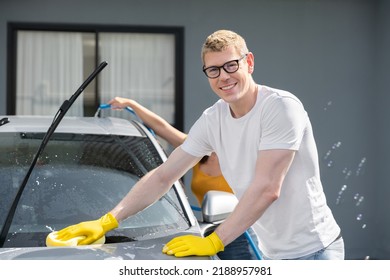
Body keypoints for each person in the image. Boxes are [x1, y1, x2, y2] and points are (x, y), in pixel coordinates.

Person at [54, 29, 344, 260]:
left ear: (250, 62)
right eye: (213, 70)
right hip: (271, 253)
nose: (224, 77)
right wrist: (107, 221)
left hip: (316, 252)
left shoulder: (280, 108)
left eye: (231, 65)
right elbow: (165, 175)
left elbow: (268, 188)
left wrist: (216, 240)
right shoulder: (212, 119)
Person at [105, 96, 259, 260]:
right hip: (208, 230)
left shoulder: (244, 156)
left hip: (241, 232)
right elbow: (161, 127)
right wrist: (132, 104)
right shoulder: (198, 148)